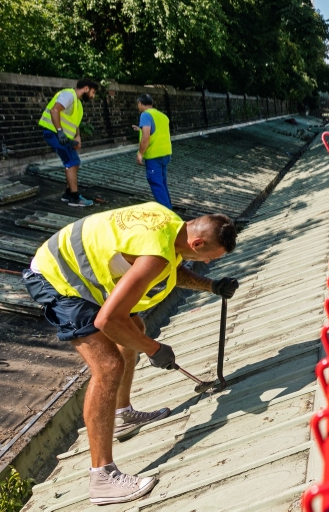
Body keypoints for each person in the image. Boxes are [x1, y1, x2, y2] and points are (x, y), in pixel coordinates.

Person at [21, 202, 239, 505]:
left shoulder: (169, 225)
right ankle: (102, 477)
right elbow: (107, 320)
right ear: (198, 243)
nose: (202, 263)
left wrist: (212, 286)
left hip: (65, 264)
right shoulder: (156, 254)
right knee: (108, 366)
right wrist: (155, 349)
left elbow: (173, 269)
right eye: (206, 258)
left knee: (133, 323)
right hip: (55, 278)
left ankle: (122, 415)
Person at [39, 79, 100, 207]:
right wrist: (60, 132)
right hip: (54, 133)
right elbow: (54, 111)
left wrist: (78, 136)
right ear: (86, 89)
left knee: (75, 162)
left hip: (64, 137)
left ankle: (68, 193)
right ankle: (74, 197)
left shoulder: (78, 104)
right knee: (71, 163)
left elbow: (75, 124)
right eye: (93, 92)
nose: (93, 96)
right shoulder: (68, 95)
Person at [133, 94, 173, 209]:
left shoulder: (145, 115)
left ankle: (167, 211)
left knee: (156, 183)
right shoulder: (162, 116)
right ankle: (169, 206)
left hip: (154, 155)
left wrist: (140, 153)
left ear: (140, 103)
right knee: (162, 183)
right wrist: (139, 128)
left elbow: (146, 136)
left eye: (138, 104)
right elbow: (156, 131)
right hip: (165, 153)